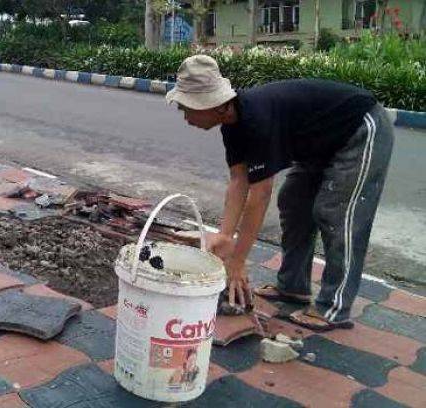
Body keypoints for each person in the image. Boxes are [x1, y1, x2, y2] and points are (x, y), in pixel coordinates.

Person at [166, 55, 394, 331]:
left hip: (359, 130)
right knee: (294, 202)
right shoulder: (231, 123)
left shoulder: (257, 118)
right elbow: (239, 181)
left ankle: (334, 307)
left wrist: (238, 261)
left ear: (211, 105)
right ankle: (293, 286)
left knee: (336, 214)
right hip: (318, 146)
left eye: (186, 107)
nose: (184, 115)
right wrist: (226, 236)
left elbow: (259, 195)